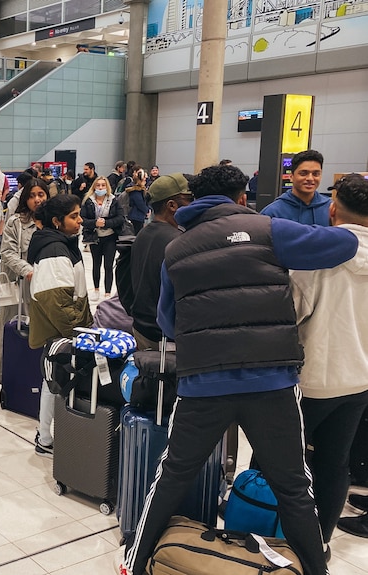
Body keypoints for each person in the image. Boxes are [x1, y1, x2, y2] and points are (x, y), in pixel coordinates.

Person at [122, 164, 359, 575]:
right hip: (272, 381)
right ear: (243, 197)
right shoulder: (270, 230)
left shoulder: (176, 249)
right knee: (294, 488)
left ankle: (134, 562)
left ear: (195, 200)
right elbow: (342, 247)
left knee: (173, 475)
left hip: (202, 383)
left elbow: (168, 322)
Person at [290, 174, 368, 550]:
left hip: (313, 378)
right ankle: (320, 541)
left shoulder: (318, 255)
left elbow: (293, 312)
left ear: (332, 209)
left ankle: (272, 532)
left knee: (281, 459)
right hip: (360, 379)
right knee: (337, 463)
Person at [27, 194, 93, 457]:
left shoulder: (63, 243)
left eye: (79, 215)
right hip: (61, 334)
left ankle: (45, 436)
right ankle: (45, 437)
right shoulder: (54, 250)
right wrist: (80, 332)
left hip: (63, 331)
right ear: (57, 221)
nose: (79, 221)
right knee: (54, 383)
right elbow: (59, 306)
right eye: (73, 216)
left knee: (52, 382)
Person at [129, 173, 193, 351]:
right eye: (189, 199)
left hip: (141, 328)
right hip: (163, 338)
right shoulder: (178, 241)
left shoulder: (143, 234)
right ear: (172, 205)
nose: (194, 204)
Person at [0, 178, 47, 388]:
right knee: (11, 329)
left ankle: (39, 378)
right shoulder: (15, 222)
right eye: (32, 195)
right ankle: (7, 377)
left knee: (41, 332)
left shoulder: (53, 222)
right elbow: (7, 252)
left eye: (41, 195)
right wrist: (27, 271)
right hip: (17, 285)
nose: (37, 199)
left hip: (44, 286)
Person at [81, 177, 124, 302]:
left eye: (103, 185)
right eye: (98, 185)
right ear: (94, 187)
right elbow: (82, 219)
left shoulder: (113, 200)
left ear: (107, 187)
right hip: (95, 237)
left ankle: (107, 292)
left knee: (108, 265)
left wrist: (106, 223)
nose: (100, 188)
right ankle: (95, 289)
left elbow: (120, 218)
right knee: (96, 263)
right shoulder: (88, 201)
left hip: (110, 237)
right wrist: (95, 223)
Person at [261, 149, 330, 225]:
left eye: (316, 174)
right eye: (303, 173)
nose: (310, 178)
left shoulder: (331, 209)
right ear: (291, 177)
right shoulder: (273, 212)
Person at [126, 168, 150, 234]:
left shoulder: (138, 191)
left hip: (138, 215)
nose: (145, 180)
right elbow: (140, 204)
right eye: (144, 179)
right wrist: (147, 211)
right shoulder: (135, 192)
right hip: (136, 216)